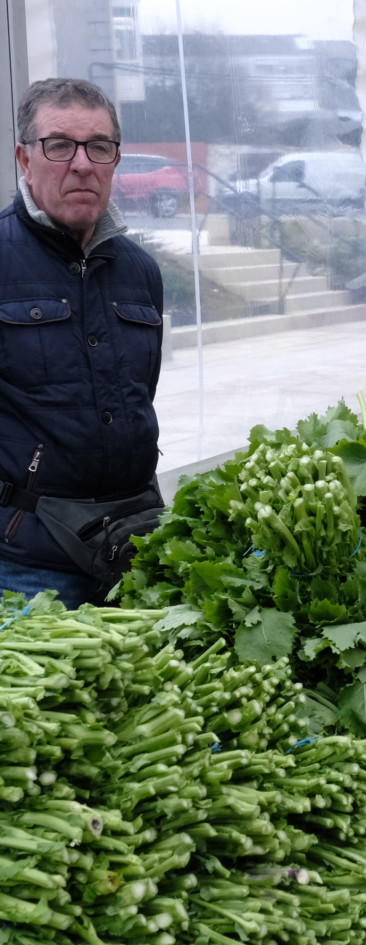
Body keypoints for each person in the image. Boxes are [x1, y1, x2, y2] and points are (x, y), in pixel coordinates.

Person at [0, 78, 165, 608]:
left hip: (135, 545)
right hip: (29, 564)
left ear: (115, 159)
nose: (81, 163)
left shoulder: (140, 271)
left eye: (99, 146)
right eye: (59, 145)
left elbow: (142, 392)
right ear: (25, 160)